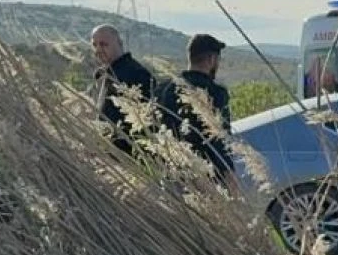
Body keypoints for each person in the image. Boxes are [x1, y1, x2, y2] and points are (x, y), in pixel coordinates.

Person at [156, 33, 236, 186]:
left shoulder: (164, 88)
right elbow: (220, 137)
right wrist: (228, 173)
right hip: (208, 175)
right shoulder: (215, 92)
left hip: (172, 172)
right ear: (212, 59)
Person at [91, 24, 156, 155]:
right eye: (94, 45)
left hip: (129, 156)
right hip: (106, 154)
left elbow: (148, 122)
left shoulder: (138, 73)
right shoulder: (102, 75)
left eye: (103, 44)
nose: (98, 49)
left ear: (119, 44)